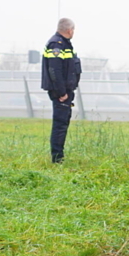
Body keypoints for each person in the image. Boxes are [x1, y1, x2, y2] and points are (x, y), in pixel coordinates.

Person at [41, 17, 81, 164]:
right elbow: (54, 70)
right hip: (61, 93)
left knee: (63, 123)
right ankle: (57, 158)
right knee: (60, 124)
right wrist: (61, 92)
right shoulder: (56, 45)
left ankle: (59, 156)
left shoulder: (64, 44)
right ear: (70, 30)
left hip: (65, 91)